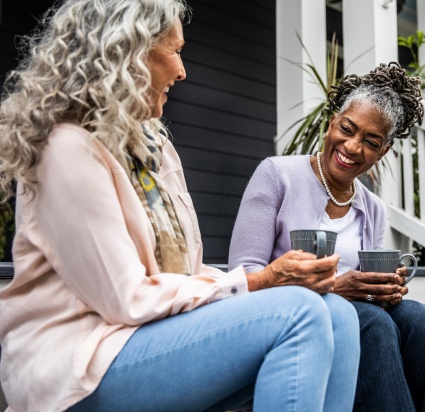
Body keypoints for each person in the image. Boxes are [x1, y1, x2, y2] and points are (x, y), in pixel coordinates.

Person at [0, 0, 361, 411]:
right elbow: (128, 299)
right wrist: (259, 281)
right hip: (79, 364)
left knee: (338, 314)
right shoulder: (68, 147)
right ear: (126, 52)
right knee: (299, 313)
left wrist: (269, 281)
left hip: (152, 337)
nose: (182, 71)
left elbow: (185, 275)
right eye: (174, 51)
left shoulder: (154, 147)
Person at [229, 62, 425, 412]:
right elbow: (242, 276)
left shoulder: (373, 208)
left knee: (420, 321)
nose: (351, 146)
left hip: (356, 320)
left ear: (384, 152)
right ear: (332, 121)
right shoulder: (276, 175)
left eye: (370, 142)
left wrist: (383, 287)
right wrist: (334, 287)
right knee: (371, 322)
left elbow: (364, 287)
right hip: (287, 318)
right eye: (347, 129)